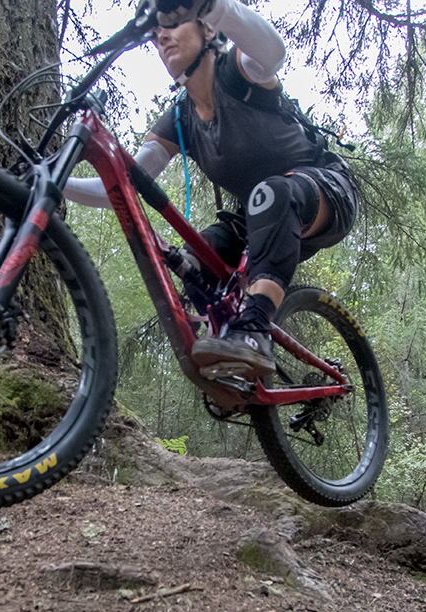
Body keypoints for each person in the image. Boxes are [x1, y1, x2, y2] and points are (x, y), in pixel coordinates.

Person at [63, 0, 358, 379]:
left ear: (208, 30)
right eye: (155, 33)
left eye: (173, 23)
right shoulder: (179, 119)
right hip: (259, 216)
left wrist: (211, 6)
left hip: (326, 190)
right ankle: (231, 355)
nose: (161, 36)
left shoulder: (239, 72)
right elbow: (121, 186)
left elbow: (273, 51)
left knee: (271, 194)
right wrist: (55, 183)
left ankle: (254, 329)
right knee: (195, 258)